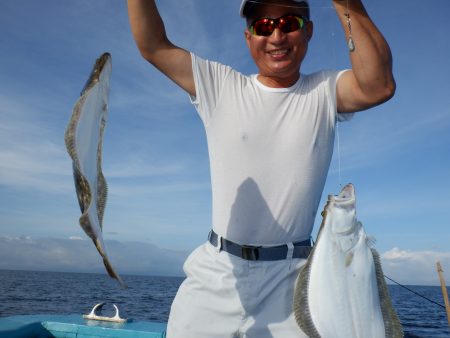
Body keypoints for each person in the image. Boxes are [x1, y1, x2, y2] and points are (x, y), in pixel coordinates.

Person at [127, 0, 395, 337]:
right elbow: (152, 46)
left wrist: (346, 4)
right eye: (263, 26)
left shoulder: (324, 91)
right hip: (216, 274)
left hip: (292, 283)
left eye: (290, 22)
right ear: (248, 37)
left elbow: (379, 86)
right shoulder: (220, 85)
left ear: (308, 30)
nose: (277, 36)